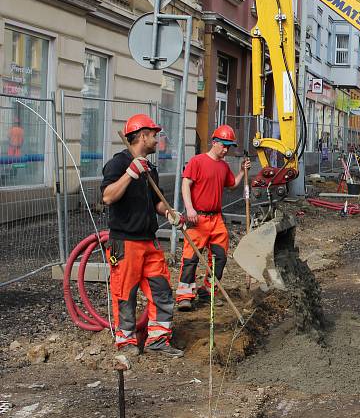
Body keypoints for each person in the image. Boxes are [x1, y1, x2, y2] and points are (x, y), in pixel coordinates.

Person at [101, 114, 184, 358]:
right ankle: (126, 343)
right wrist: (130, 173)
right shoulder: (118, 164)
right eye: (154, 135)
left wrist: (170, 213)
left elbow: (156, 203)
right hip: (125, 242)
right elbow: (107, 197)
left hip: (149, 240)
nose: (157, 140)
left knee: (162, 291)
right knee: (125, 293)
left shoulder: (150, 169)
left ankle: (158, 340)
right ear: (142, 135)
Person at [175, 124, 250, 311]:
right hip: (197, 219)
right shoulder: (197, 161)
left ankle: (209, 290)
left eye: (229, 146)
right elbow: (186, 184)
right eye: (223, 145)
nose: (226, 149)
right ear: (214, 142)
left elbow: (231, 185)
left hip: (216, 219)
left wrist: (242, 171)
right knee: (190, 258)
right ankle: (185, 296)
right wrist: (189, 209)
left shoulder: (223, 167)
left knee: (220, 257)